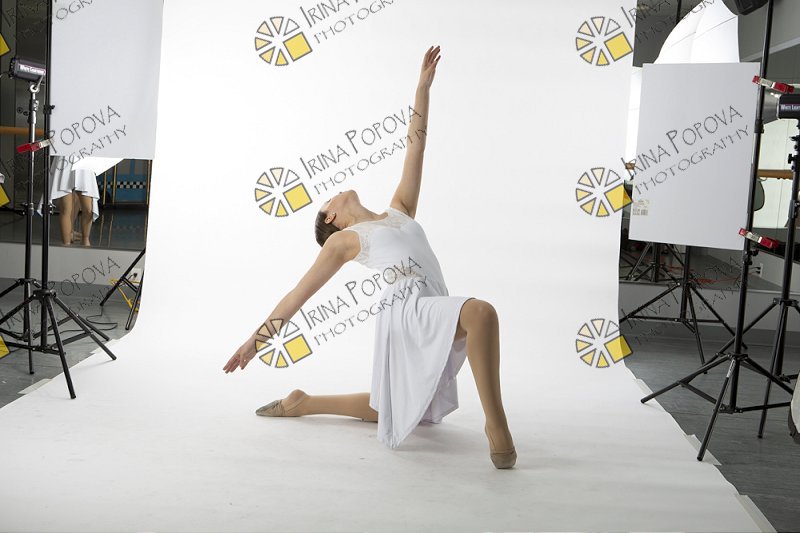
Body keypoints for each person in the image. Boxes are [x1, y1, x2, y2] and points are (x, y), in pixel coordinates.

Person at [224, 46, 516, 469]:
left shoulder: (399, 210)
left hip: (431, 301)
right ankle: (497, 426)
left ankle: (304, 402)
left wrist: (422, 88)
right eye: (330, 198)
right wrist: (254, 343)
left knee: (400, 409)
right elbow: (296, 296)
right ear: (332, 218)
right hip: (407, 310)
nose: (337, 191)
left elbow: (416, 148)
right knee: (481, 313)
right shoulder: (344, 241)